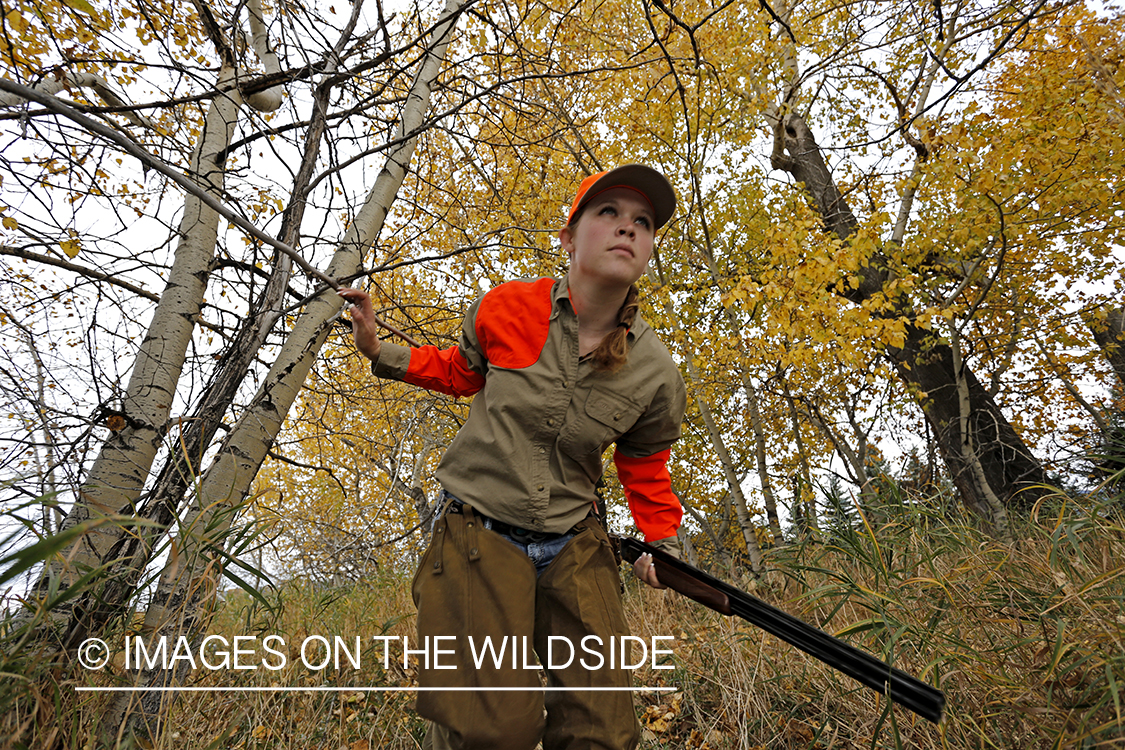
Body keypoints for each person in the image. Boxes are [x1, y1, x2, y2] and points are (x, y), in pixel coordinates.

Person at [338, 164, 687, 750]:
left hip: (575, 540)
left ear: (649, 248)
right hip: (478, 530)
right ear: (569, 238)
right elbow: (461, 372)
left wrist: (663, 543)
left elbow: (644, 463)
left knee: (604, 731)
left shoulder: (654, 371)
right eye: (608, 213)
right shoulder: (505, 308)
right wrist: (379, 350)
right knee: (493, 732)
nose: (627, 227)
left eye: (642, 222)